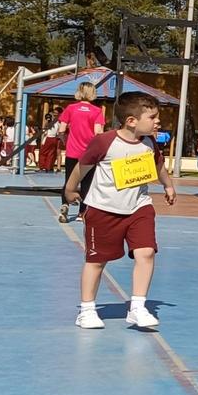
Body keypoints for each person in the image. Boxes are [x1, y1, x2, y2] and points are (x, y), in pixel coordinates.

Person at [66, 92, 177, 331]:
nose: (157, 121)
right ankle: (86, 310)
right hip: (103, 209)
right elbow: (82, 166)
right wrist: (70, 188)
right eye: (153, 117)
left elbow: (157, 165)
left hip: (139, 206)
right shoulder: (105, 142)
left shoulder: (149, 143)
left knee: (146, 252)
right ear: (131, 121)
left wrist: (168, 185)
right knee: (97, 261)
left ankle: (137, 307)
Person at [57, 82, 107, 222]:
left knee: (68, 181)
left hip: (72, 151)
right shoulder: (97, 111)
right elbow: (98, 132)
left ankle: (65, 205)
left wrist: (66, 141)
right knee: (87, 183)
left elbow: (61, 130)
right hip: (89, 152)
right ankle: (82, 212)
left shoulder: (71, 108)